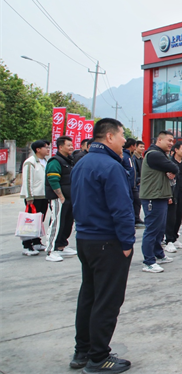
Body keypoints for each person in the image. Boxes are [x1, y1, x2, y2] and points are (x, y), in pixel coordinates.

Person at [70, 118, 134, 373]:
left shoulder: (82, 162)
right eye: (121, 135)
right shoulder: (111, 165)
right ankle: (99, 357)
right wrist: (127, 241)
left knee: (89, 295)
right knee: (107, 300)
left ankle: (82, 351)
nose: (123, 141)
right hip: (108, 241)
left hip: (85, 239)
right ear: (109, 137)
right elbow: (122, 208)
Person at [139, 131, 178, 273]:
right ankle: (148, 261)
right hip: (152, 197)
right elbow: (174, 167)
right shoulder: (154, 155)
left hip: (160, 195)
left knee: (159, 229)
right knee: (152, 229)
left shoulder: (160, 155)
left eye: (172, 141)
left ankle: (158, 254)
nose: (171, 143)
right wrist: (171, 169)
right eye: (168, 140)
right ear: (159, 140)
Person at [44, 136, 78, 262]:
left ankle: (61, 246)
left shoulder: (69, 160)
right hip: (59, 199)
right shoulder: (55, 161)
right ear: (60, 147)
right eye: (68, 145)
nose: (71, 147)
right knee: (56, 223)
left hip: (70, 198)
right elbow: (53, 180)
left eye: (72, 145)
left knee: (67, 222)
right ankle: (50, 250)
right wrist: (61, 197)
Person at [19, 140, 51, 255]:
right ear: (38, 149)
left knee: (39, 221)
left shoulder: (45, 161)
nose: (48, 149)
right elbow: (27, 180)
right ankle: (27, 246)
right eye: (46, 147)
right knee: (30, 221)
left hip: (43, 196)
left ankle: (37, 242)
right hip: (33, 197)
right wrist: (29, 196)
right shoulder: (30, 162)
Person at [164, 141, 182, 253]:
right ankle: (168, 240)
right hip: (172, 193)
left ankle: (175, 238)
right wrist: (168, 195)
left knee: (179, 216)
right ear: (176, 150)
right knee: (171, 217)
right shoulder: (169, 162)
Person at [122, 139, 142, 228]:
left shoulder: (130, 156)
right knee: (132, 202)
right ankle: (133, 220)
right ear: (132, 146)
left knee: (137, 201)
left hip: (133, 184)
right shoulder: (125, 156)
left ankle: (136, 219)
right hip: (128, 184)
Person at [133, 141, 145, 228]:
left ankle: (137, 218)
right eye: (141, 147)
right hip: (136, 182)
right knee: (137, 200)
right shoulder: (134, 158)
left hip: (140, 181)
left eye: (143, 147)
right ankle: (135, 219)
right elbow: (135, 171)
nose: (142, 149)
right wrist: (138, 180)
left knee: (138, 201)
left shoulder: (141, 158)